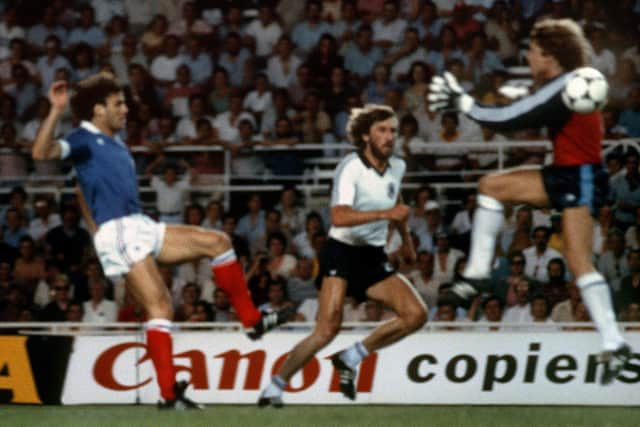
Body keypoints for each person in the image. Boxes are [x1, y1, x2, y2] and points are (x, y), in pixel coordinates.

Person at [32, 74, 292, 409]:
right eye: (118, 104)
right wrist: (56, 110)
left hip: (140, 224)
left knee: (219, 241)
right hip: (120, 231)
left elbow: (83, 189)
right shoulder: (83, 137)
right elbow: (41, 152)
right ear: (98, 110)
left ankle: (252, 321)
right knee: (161, 306)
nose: (125, 109)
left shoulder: (115, 141)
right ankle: (169, 395)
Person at [428, 18, 631, 383]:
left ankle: (615, 342)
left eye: (533, 52)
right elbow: (522, 106)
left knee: (579, 261)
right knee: (491, 185)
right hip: (565, 172)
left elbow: (507, 119)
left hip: (580, 177)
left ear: (549, 55)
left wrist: (463, 102)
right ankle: (476, 274)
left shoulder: (568, 85)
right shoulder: (568, 83)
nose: (528, 57)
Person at [258, 104, 427, 407]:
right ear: (365, 136)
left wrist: (407, 243)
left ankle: (351, 356)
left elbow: (397, 204)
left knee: (416, 315)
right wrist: (387, 213)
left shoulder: (398, 166)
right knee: (326, 330)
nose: (390, 137)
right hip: (341, 252)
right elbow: (339, 217)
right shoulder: (350, 167)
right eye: (382, 130)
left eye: (393, 131)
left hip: (372, 256)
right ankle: (274, 387)